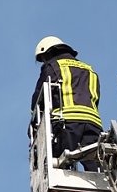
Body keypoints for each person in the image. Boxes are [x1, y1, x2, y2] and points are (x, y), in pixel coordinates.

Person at [31, 36, 102, 170]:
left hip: (67, 123)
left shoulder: (52, 66)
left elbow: (39, 97)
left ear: (49, 52)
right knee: (97, 168)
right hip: (93, 124)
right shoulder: (89, 69)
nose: (44, 62)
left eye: (44, 58)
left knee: (58, 165)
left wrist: (34, 126)